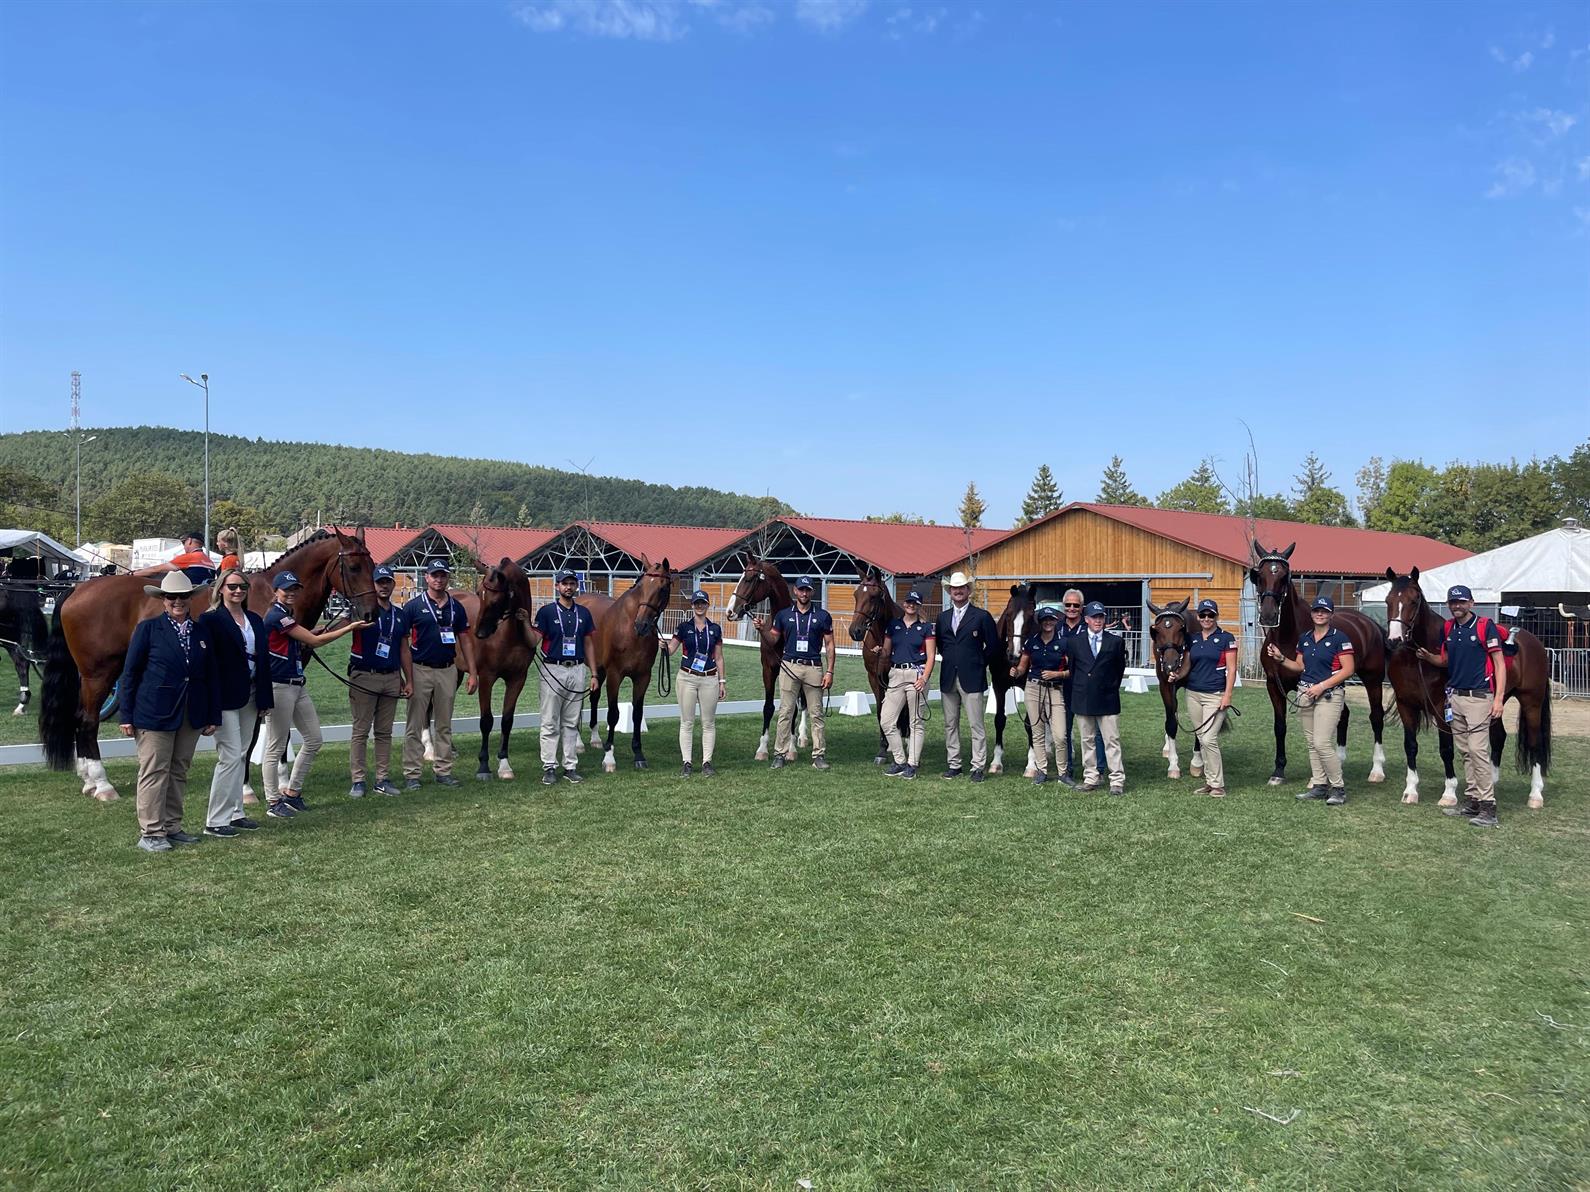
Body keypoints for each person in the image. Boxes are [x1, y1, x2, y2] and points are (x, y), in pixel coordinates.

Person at [120, 572, 221, 852]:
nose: (178, 601)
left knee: (179, 770)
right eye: (172, 596)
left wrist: (213, 714)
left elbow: (211, 675)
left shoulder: (201, 632)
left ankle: (172, 826)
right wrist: (126, 715)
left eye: (183, 596)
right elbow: (130, 674)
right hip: (154, 712)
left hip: (191, 711)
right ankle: (151, 831)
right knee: (154, 770)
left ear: (191, 598)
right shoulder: (148, 629)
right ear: (163, 599)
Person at [262, 570, 367, 817]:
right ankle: (272, 800)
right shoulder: (277, 615)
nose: (291, 593)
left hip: (297, 684)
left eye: (294, 589)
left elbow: (303, 636)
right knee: (275, 747)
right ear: (276, 591)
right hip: (280, 685)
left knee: (314, 739)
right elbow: (313, 641)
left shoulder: (286, 616)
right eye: (286, 589)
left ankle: (293, 792)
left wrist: (331, 626)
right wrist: (349, 627)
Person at [1416, 584, 1506, 828]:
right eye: (1453, 602)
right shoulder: (1450, 628)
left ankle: (1489, 806)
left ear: (1471, 603)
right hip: (1455, 697)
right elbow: (1445, 660)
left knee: (1478, 751)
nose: (1456, 606)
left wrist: (1498, 699)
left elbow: (1499, 663)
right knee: (1466, 751)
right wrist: (1429, 658)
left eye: (1461, 602)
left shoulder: (1484, 626)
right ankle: (1473, 800)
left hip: (1479, 697)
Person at [198, 566, 273, 838]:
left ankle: (236, 812)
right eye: (232, 587)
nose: (238, 591)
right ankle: (215, 820)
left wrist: (265, 697)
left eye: (242, 586)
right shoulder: (210, 621)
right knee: (229, 757)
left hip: (251, 694)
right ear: (220, 590)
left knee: (241, 754)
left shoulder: (254, 619)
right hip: (224, 697)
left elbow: (263, 661)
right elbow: (206, 665)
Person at [1267, 594, 1355, 806]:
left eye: (1324, 611)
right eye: (1317, 610)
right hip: (1305, 693)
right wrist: (1281, 659)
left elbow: (1349, 669)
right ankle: (1319, 785)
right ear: (1312, 613)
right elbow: (1300, 666)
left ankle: (1338, 788)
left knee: (1322, 742)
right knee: (1311, 743)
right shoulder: (1305, 638)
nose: (1320, 614)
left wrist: (1322, 686)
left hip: (1329, 695)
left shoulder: (1339, 638)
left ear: (1331, 614)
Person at [402, 558, 477, 790]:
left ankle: (443, 771)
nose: (439, 579)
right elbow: (403, 642)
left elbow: (465, 640)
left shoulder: (456, 607)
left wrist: (473, 672)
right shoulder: (413, 606)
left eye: (443, 575)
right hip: (420, 668)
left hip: (447, 669)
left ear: (448, 578)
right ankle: (412, 773)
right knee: (414, 724)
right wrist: (407, 677)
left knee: (444, 724)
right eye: (435, 575)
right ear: (427, 577)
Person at [754, 575, 835, 770]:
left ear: (812, 592)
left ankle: (818, 755)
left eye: (807, 590)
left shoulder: (822, 616)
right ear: (795, 592)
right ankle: (780, 754)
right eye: (801, 590)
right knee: (785, 712)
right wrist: (762, 630)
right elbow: (773, 640)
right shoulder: (783, 615)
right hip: (789, 666)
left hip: (813, 666)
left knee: (816, 713)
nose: (804, 593)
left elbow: (830, 644)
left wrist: (830, 671)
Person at [347, 565, 412, 797]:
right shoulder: (362, 610)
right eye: (379, 582)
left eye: (387, 582)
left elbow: (404, 648)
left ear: (393, 584)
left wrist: (408, 679)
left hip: (391, 676)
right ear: (372, 584)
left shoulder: (400, 614)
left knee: (384, 732)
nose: (383, 586)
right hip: (365, 675)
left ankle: (382, 778)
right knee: (361, 730)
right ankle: (358, 780)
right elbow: (342, 629)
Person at [934, 571, 1001, 782]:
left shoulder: (982, 616)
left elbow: (992, 646)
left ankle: (978, 766)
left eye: (962, 588)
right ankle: (954, 764)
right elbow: (941, 646)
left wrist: (979, 662)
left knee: (976, 724)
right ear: (950, 592)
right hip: (948, 677)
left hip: (972, 677)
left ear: (968, 590)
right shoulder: (942, 618)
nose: (958, 591)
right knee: (950, 724)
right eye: (955, 588)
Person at [533, 568, 598, 785]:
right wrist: (523, 624)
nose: (568, 587)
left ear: (576, 586)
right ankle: (549, 766)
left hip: (577, 668)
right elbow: (534, 639)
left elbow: (588, 643)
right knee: (550, 721)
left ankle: (570, 766)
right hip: (553, 669)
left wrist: (594, 672)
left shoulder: (584, 613)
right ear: (557, 586)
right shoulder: (547, 612)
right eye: (564, 583)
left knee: (571, 722)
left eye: (572, 583)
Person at [1062, 600, 1128, 794]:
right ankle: (1091, 777)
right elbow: (1073, 669)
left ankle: (1117, 780)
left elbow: (1119, 669)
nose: (1098, 621)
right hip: (1083, 696)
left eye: (1101, 617)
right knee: (1087, 739)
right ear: (1086, 619)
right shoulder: (1074, 642)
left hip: (1107, 697)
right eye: (1094, 617)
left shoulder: (1115, 641)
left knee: (1111, 739)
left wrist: (1109, 686)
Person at [664, 589, 725, 777]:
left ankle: (707, 762)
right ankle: (687, 762)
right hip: (687, 678)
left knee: (708, 723)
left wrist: (722, 681)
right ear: (692, 605)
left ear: (707, 605)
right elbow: (671, 650)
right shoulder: (683, 627)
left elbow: (720, 657)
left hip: (709, 678)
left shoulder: (715, 629)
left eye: (703, 603)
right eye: (696, 603)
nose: (699, 606)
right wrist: (662, 646)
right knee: (687, 722)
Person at [877, 588, 936, 779]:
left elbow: (931, 655)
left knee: (915, 721)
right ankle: (899, 759)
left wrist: (924, 678)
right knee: (887, 720)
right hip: (896, 673)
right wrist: (880, 651)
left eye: (915, 603)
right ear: (904, 604)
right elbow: (887, 651)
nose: (911, 605)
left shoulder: (926, 628)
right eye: (909, 602)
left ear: (919, 606)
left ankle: (912, 763)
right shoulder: (893, 626)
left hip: (916, 673)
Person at [1184, 598, 1238, 798]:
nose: (1207, 619)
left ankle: (1217, 785)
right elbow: (1188, 665)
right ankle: (1209, 781)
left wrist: (1228, 695)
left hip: (1215, 695)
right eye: (1203, 615)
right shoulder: (1193, 638)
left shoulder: (1226, 638)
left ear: (1216, 616)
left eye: (1211, 615)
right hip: (1193, 694)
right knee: (1201, 737)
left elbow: (1232, 669)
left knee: (1209, 738)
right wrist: (1175, 676)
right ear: (1198, 617)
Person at [1009, 605, 1066, 786]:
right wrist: (1015, 672)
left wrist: (1057, 674)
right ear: (1040, 623)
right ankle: (1041, 770)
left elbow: (1073, 670)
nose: (1048, 623)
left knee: (1060, 735)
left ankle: (1063, 772)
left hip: (1055, 689)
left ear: (1056, 621)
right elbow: (1023, 667)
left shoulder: (1064, 642)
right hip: (1034, 688)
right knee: (1037, 732)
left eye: (1051, 620)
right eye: (1044, 620)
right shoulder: (1032, 642)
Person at [1056, 588, 1105, 786]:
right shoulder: (1056, 626)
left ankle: (1099, 769)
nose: (1072, 608)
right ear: (1063, 606)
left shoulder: (1090, 626)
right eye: (1068, 605)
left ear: (1082, 608)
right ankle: (1068, 768)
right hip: (1063, 686)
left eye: (1076, 605)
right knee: (1065, 728)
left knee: (1096, 731)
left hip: (1088, 686)